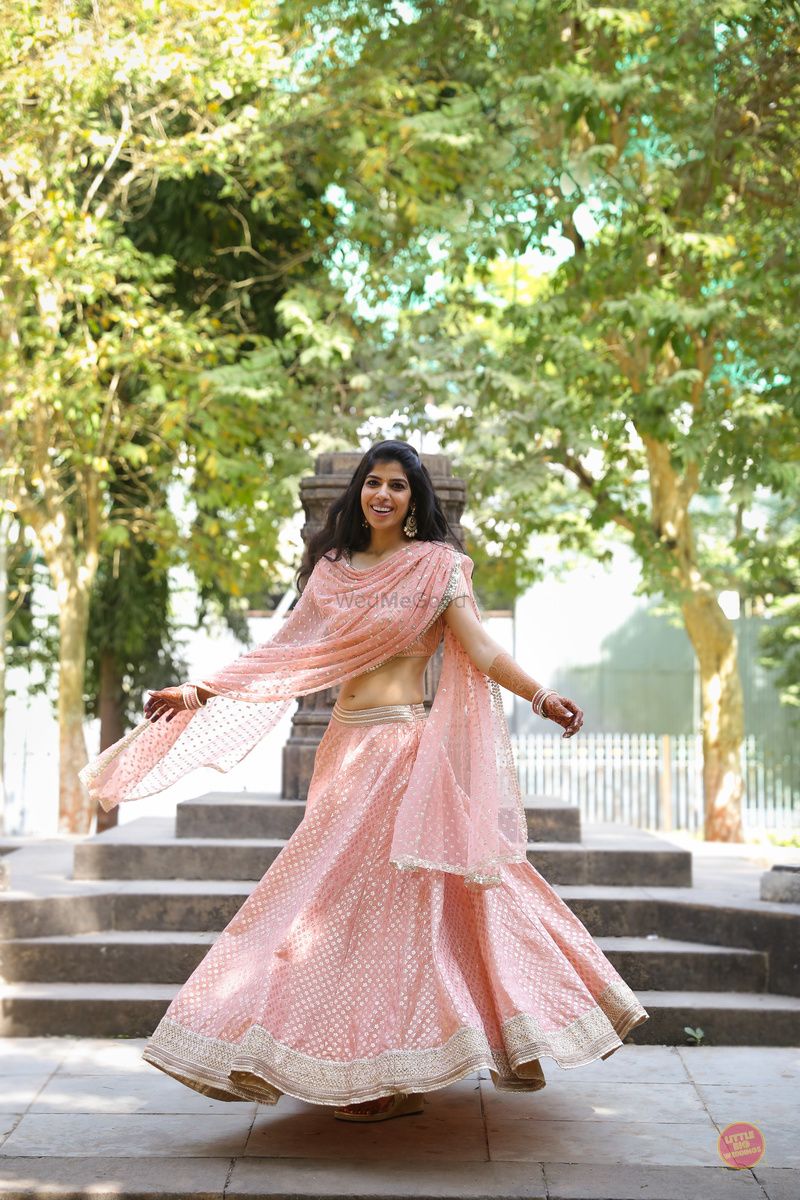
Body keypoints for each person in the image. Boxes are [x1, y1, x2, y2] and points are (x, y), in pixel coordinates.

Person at [80, 439, 649, 1123]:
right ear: (358, 494)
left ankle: (392, 1071)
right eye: (373, 483)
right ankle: (342, 1058)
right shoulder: (334, 569)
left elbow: (483, 647)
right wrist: (200, 689)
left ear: (415, 500)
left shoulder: (437, 569)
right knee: (328, 907)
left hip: (406, 754)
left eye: (398, 486)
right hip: (347, 753)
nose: (383, 494)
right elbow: (286, 651)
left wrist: (541, 695)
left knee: (397, 910)